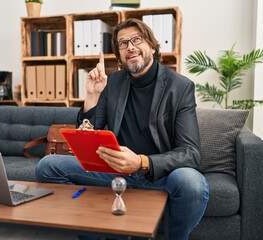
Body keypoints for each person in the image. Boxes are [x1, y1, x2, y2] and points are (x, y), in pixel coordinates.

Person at [35, 18, 209, 240]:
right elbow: (87, 135)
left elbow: (191, 152)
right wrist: (91, 96)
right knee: (48, 166)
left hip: (158, 174)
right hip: (115, 172)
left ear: (153, 46)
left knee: (191, 182)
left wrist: (141, 162)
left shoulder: (180, 87)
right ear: (119, 54)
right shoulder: (113, 83)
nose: (131, 47)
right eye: (123, 43)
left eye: (137, 39)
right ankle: (95, 233)